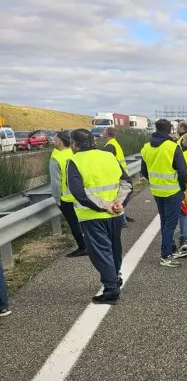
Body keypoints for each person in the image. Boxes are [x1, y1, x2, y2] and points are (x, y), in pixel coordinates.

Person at [67, 129, 133, 304]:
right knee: (114, 248)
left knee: (100, 253)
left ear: (74, 145)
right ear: (94, 142)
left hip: (92, 215)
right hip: (116, 214)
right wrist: (119, 203)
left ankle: (111, 290)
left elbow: (78, 192)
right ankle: (115, 277)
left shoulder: (74, 161)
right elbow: (126, 182)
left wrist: (105, 206)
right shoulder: (108, 156)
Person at [141, 119, 187, 267]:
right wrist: (183, 187)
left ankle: (172, 248)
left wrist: (155, 181)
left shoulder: (146, 147)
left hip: (156, 190)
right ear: (169, 130)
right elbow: (182, 170)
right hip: (172, 191)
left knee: (164, 221)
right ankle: (166, 255)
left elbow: (144, 171)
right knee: (170, 223)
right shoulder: (172, 147)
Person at [49, 130, 87, 257]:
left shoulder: (56, 158)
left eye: (55, 139)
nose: (54, 141)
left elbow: (56, 182)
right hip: (80, 194)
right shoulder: (73, 153)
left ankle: (83, 247)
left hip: (66, 198)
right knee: (83, 221)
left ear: (59, 142)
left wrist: (56, 198)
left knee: (74, 223)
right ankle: (90, 243)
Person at [102, 126, 135, 225]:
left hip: (117, 175)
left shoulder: (109, 146)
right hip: (122, 173)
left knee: (116, 198)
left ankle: (122, 220)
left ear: (107, 133)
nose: (102, 132)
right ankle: (123, 219)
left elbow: (105, 162)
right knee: (118, 198)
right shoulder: (114, 143)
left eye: (104, 131)